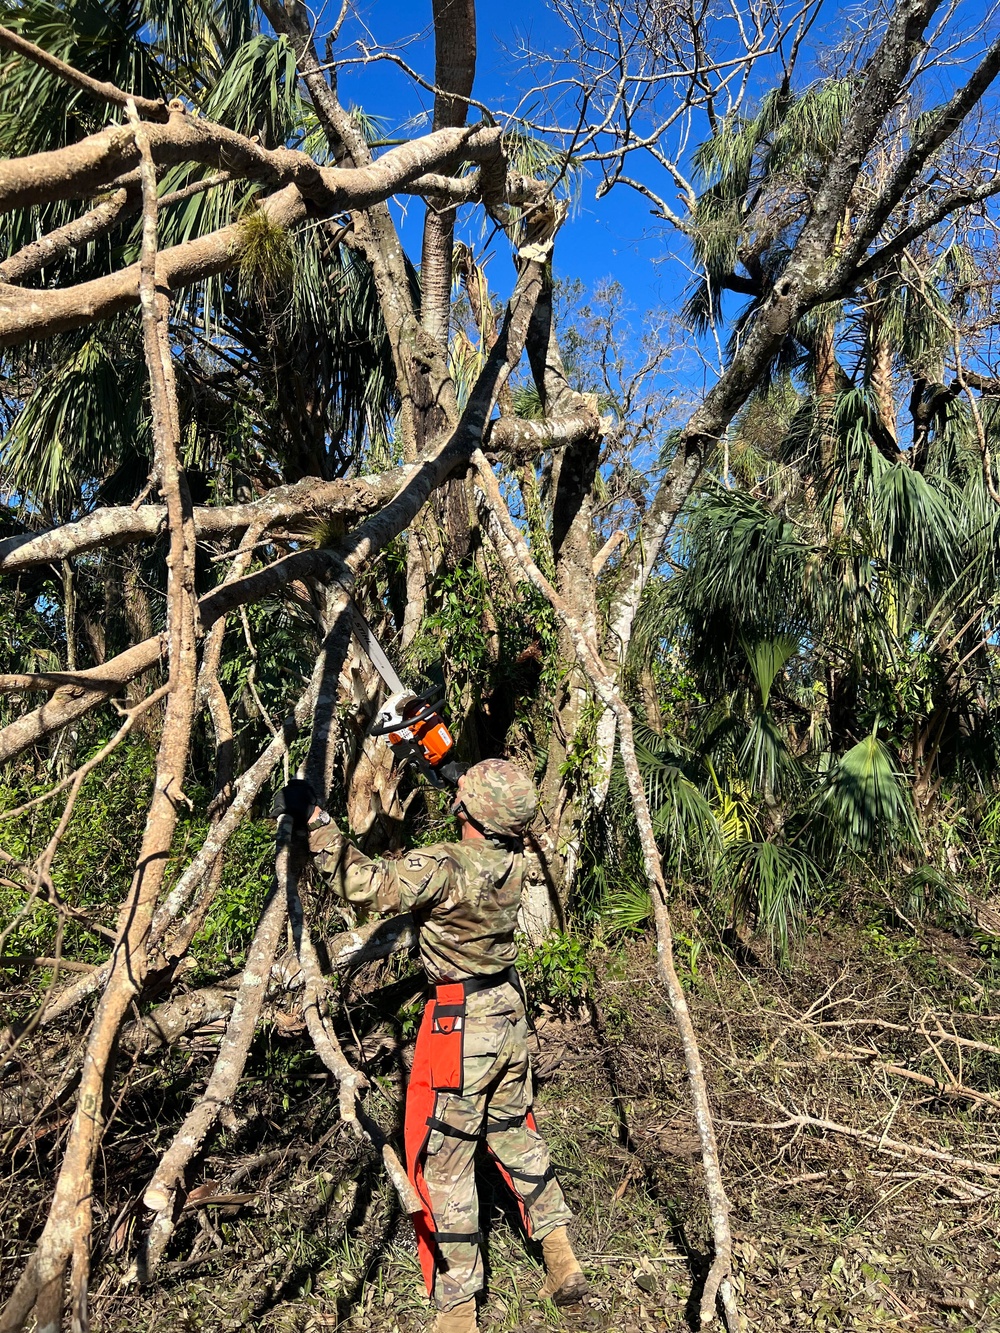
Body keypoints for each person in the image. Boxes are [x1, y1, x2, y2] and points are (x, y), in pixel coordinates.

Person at [274, 759, 588, 1333]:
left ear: (470, 811)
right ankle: (560, 1255)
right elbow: (481, 817)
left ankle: (458, 1305)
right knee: (515, 1132)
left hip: (461, 1023)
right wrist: (461, 783)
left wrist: (317, 819)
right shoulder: (513, 861)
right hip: (508, 1012)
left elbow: (364, 884)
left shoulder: (445, 865)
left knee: (445, 1164)